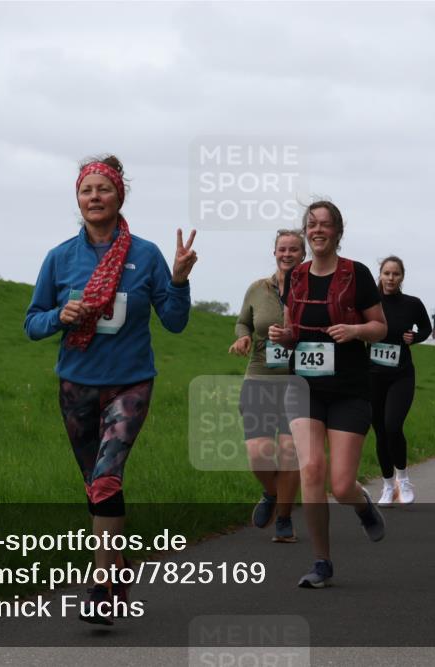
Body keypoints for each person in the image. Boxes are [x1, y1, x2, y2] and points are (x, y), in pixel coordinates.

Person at [24, 156, 198, 624]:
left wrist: (179, 280)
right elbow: (31, 322)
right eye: (87, 191)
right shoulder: (60, 257)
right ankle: (117, 566)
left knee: (106, 478)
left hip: (130, 383)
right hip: (76, 384)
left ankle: (100, 586)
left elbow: (176, 322)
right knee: (93, 486)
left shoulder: (147, 254)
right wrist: (57, 317)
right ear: (78, 199)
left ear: (120, 196)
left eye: (104, 189)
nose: (95, 197)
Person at [268, 200, 388, 589]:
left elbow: (380, 327)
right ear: (306, 232)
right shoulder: (297, 276)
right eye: (311, 224)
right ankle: (321, 561)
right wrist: (283, 337)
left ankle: (362, 506)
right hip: (304, 386)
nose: (317, 230)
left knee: (340, 484)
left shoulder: (357, 274)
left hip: (349, 389)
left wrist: (354, 331)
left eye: (325, 224)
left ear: (338, 231)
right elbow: (292, 328)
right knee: (312, 471)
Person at [230, 229, 305, 542]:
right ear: (274, 252)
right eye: (282, 249)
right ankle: (273, 494)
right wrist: (243, 336)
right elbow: (244, 320)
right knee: (259, 453)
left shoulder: (313, 288)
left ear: (304, 255)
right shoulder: (258, 288)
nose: (287, 254)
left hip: (299, 382)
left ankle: (284, 519)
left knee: (289, 451)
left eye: (293, 250)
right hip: (260, 377)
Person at [370, 256, 432, 505]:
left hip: (401, 374)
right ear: (380, 275)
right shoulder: (369, 303)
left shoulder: (412, 304)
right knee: (380, 433)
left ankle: (403, 478)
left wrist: (414, 338)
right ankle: (387, 486)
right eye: (386, 273)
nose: (391, 278)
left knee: (393, 426)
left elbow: (427, 328)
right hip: (372, 375)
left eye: (395, 274)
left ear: (402, 277)